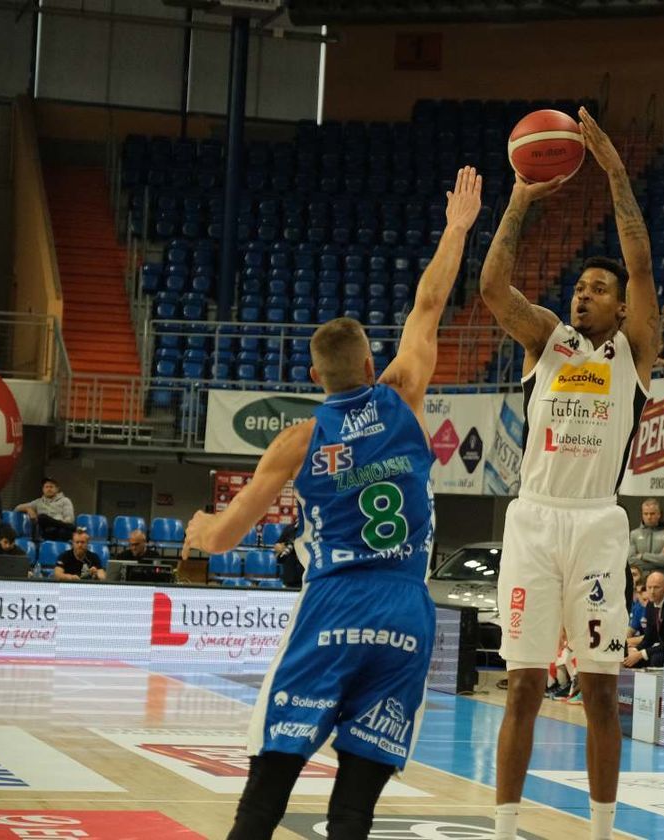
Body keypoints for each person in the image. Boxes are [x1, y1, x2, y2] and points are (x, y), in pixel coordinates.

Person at [180, 166, 483, 840]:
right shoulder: (404, 392)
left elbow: (226, 538)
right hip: (407, 611)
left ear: (314, 377)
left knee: (269, 788)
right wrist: (457, 226)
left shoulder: (299, 439)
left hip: (334, 604)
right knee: (353, 811)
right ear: (371, 365)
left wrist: (200, 529)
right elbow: (429, 304)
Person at [479, 108, 657, 840]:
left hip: (596, 525)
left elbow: (641, 264)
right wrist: (520, 197)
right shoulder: (546, 341)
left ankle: (601, 831)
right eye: (578, 287)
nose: (582, 294)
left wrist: (615, 171)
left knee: (599, 690)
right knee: (520, 685)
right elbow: (493, 288)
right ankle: (504, 827)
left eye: (596, 289)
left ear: (619, 308)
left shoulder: (634, 353)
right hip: (533, 517)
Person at [624, 571, 664, 668]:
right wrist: (635, 650)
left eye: (656, 587)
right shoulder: (650, 605)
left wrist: (641, 654)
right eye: (649, 587)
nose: (652, 591)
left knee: (656, 658)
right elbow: (649, 638)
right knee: (629, 657)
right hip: (661, 648)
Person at [628, 498, 664, 583]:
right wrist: (659, 561)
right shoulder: (634, 534)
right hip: (639, 584)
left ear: (659, 514)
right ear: (642, 515)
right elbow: (630, 560)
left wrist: (643, 556)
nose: (649, 517)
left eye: (652, 514)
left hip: (661, 583)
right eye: (645, 514)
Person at [272, 522, 304, 589]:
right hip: (289, 575)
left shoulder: (312, 529)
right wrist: (281, 547)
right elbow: (277, 545)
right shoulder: (289, 528)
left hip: (305, 576)